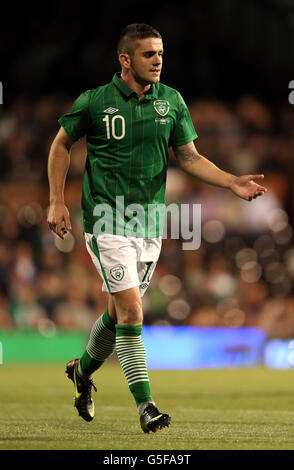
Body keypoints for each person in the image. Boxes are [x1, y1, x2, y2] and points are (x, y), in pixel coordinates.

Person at [47, 23, 267, 434]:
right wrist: (57, 200)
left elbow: (189, 156)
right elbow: (61, 143)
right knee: (132, 310)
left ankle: (81, 372)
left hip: (149, 226)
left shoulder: (171, 101)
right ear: (125, 60)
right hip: (106, 221)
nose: (159, 60)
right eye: (149, 54)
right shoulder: (96, 101)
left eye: (161, 53)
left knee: (117, 315)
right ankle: (146, 405)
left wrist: (231, 180)